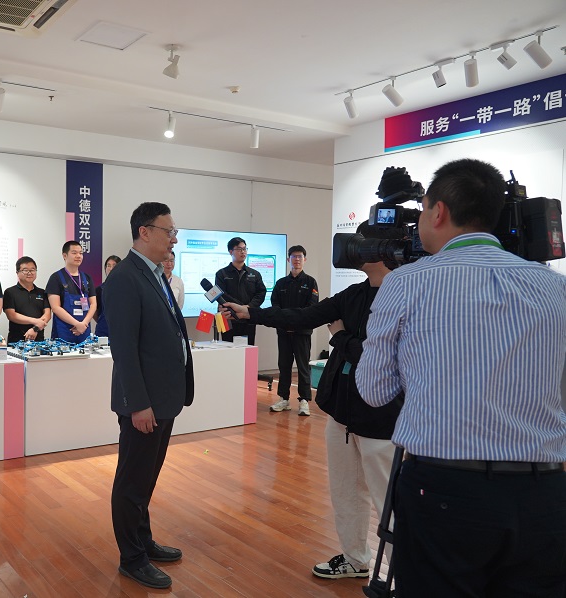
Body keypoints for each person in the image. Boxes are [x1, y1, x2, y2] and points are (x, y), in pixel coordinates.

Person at [357, 158, 566, 597]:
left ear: (438, 212)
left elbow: (374, 391)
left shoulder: (406, 283)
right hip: (545, 492)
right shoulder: (554, 287)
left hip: (445, 491)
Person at [222, 223, 402, 582]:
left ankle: (403, 575)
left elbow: (378, 357)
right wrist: (251, 313)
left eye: (363, 243)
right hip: (342, 410)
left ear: (383, 249)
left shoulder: (405, 297)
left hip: (382, 417)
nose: (354, 249)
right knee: (345, 491)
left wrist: (340, 337)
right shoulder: (353, 294)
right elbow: (303, 316)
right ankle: (355, 558)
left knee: (389, 499)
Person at [104, 202, 194, 590]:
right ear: (145, 232)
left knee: (146, 478)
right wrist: (138, 404)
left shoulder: (155, 274)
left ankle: (143, 540)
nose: (173, 239)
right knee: (132, 481)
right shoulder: (125, 278)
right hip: (144, 403)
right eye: (168, 231)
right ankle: (132, 558)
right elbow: (123, 349)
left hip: (163, 397)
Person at [269, 245, 319, 415]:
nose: (297, 259)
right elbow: (275, 305)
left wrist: (295, 321)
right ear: (288, 259)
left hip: (302, 332)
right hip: (284, 331)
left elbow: (312, 307)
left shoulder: (310, 282)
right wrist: (285, 321)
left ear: (305, 259)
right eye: (294, 256)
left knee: (303, 366)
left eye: (300, 256)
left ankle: (304, 400)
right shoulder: (281, 283)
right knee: (284, 365)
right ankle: (283, 398)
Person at [214, 237, 266, 345]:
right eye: (239, 249)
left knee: (248, 351)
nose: (243, 252)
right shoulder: (221, 274)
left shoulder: (255, 274)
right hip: (229, 318)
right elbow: (221, 295)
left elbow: (261, 293)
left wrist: (248, 307)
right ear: (230, 252)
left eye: (244, 249)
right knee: (228, 351)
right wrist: (238, 307)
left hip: (248, 318)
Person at [46, 240, 97, 343]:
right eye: (74, 253)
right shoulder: (56, 278)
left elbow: (93, 304)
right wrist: (77, 324)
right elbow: (55, 307)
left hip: (84, 330)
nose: (78, 256)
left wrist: (84, 324)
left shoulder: (87, 278)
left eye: (81, 253)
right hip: (64, 331)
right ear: (64, 256)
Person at [3, 256, 50, 344]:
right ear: (17, 272)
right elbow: (11, 315)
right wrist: (36, 321)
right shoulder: (10, 292)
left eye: (32, 270)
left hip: (38, 339)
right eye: (25, 270)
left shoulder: (42, 292)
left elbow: (47, 314)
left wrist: (35, 329)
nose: (29, 273)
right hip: (16, 340)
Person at [94, 255, 121, 338]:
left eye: (114, 265)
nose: (111, 268)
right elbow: (94, 312)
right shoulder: (99, 289)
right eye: (108, 266)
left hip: (120, 330)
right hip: (103, 331)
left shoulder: (126, 289)